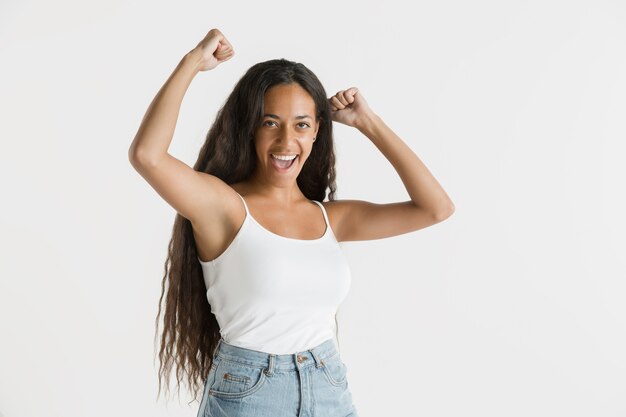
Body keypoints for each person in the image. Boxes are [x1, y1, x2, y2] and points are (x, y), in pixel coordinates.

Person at [128, 28, 454, 417]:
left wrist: (369, 123)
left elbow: (435, 208)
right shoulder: (224, 208)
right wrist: (192, 63)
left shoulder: (332, 218)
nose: (286, 141)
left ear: (317, 131)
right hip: (251, 393)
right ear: (250, 127)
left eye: (301, 124)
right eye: (270, 123)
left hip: (328, 385)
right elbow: (148, 156)